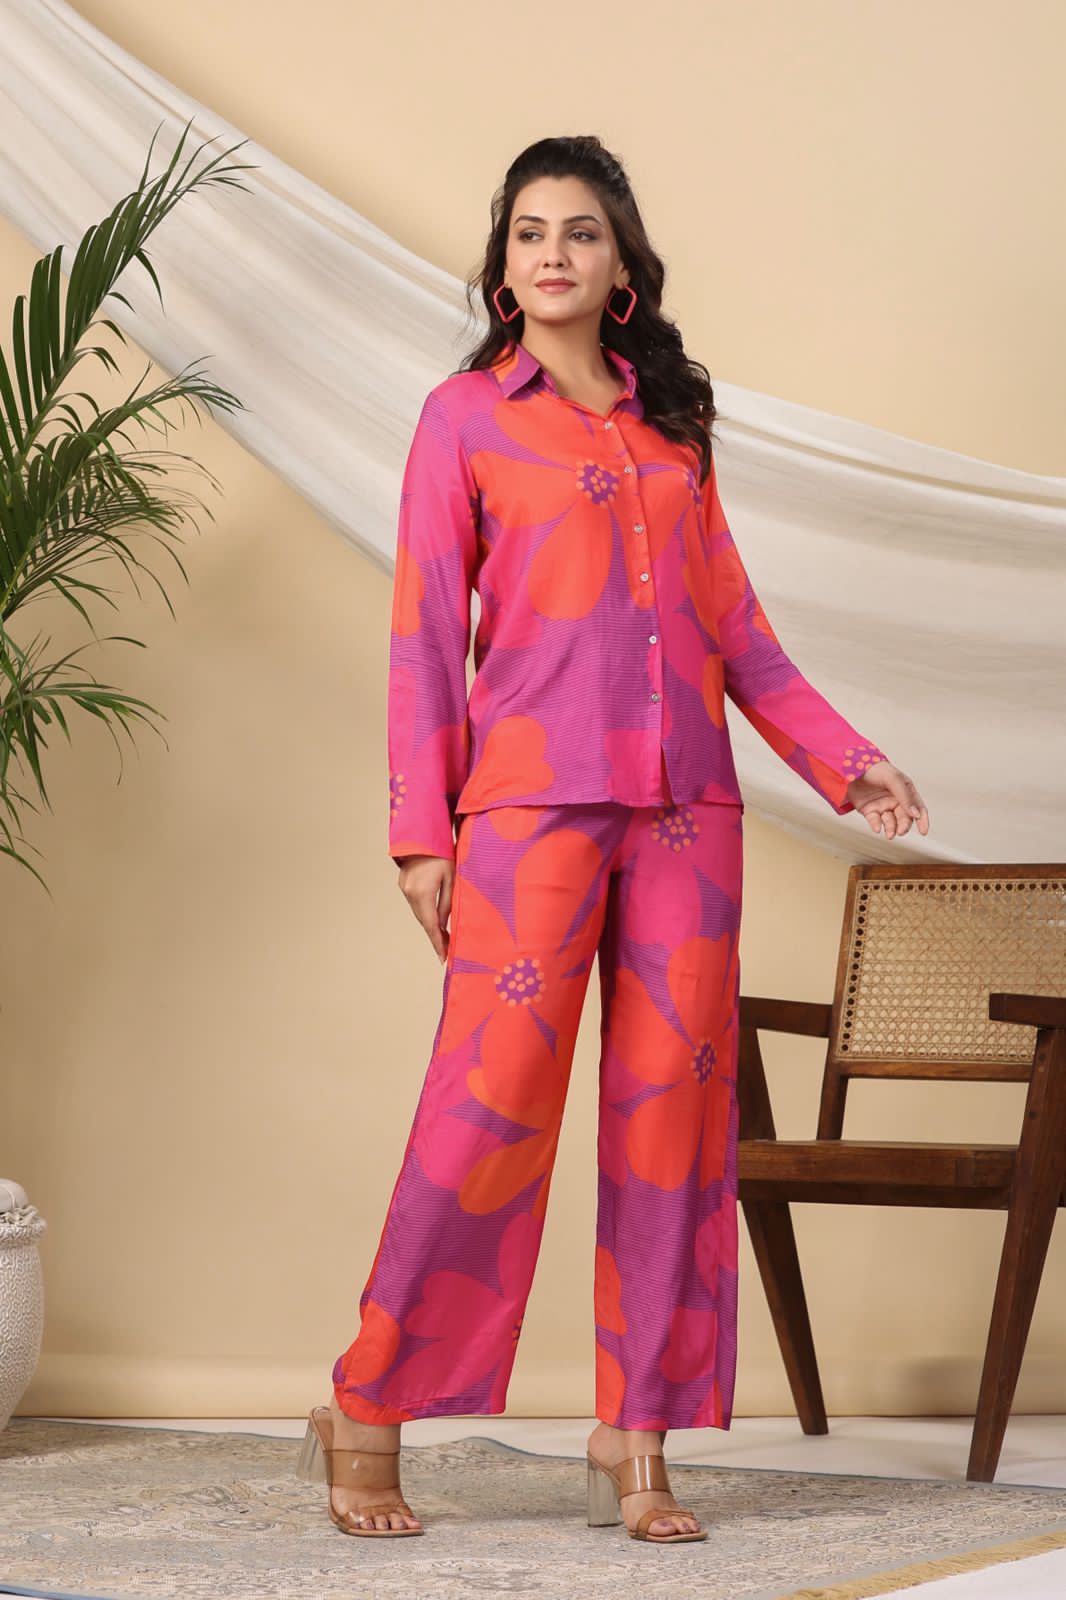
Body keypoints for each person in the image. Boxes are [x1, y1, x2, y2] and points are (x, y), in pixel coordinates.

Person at [296, 135, 930, 1544]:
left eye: (579, 232)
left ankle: (635, 1438)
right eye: (529, 233)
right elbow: (423, 635)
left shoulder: (673, 427)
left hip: (689, 817)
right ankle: (367, 1402)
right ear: (502, 262)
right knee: (485, 1112)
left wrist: (847, 761)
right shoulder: (463, 417)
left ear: (620, 262)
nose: (553, 255)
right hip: (527, 810)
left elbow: (737, 629)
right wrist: (420, 833)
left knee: (672, 1134)